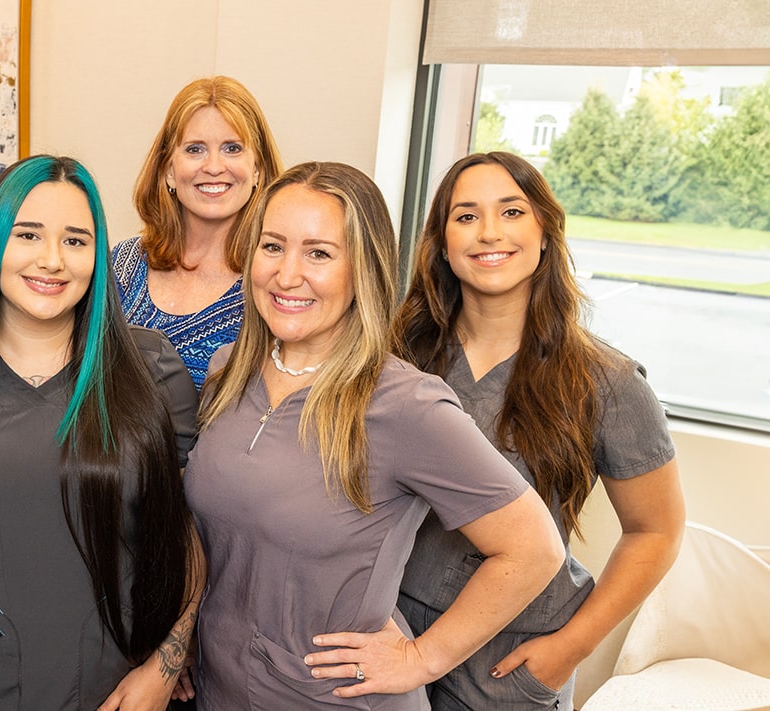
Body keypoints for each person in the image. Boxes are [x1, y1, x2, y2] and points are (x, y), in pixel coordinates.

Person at [186, 161, 568, 709]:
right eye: (272, 247)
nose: (287, 274)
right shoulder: (228, 372)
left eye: (319, 253)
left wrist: (423, 659)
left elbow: (532, 549)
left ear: (361, 269)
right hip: (219, 689)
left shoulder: (406, 406)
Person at [0, 155, 201, 710]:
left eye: (76, 241)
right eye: (28, 234)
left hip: (112, 683)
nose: (53, 261)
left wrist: (166, 663)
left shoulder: (150, 370)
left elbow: (189, 536)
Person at [393, 152, 685, 710]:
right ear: (442, 240)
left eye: (511, 211)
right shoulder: (398, 356)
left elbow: (657, 531)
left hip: (512, 661)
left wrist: (569, 649)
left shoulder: (607, 382)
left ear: (545, 232)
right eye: (466, 216)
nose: (489, 233)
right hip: (394, 629)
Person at [113, 76, 283, 389]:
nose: (214, 166)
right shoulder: (122, 265)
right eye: (195, 149)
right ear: (168, 170)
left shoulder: (276, 285)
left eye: (232, 148)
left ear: (257, 169)